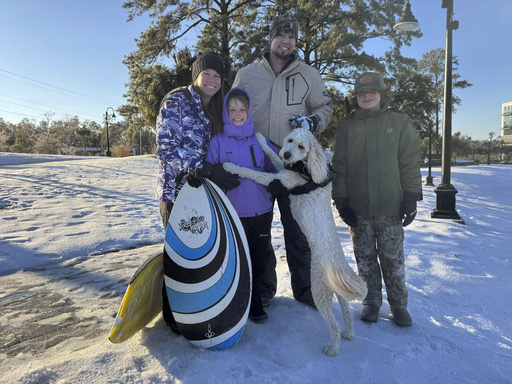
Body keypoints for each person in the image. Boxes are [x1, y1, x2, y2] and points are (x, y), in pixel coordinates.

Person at [232, 12, 333, 309]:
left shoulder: (309, 75)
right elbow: (232, 109)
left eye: (291, 37)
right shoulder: (248, 74)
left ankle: (306, 290)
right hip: (256, 161)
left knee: (298, 228)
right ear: (271, 38)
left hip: (295, 164)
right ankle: (263, 289)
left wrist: (313, 121)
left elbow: (325, 106)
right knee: (258, 229)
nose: (286, 41)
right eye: (281, 35)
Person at [155, 51, 240, 333]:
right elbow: (165, 148)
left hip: (203, 193)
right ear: (196, 75)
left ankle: (197, 312)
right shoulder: (176, 100)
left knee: (200, 255)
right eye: (207, 74)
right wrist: (203, 167)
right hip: (176, 192)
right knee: (179, 257)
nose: (213, 80)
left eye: (218, 76)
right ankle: (173, 318)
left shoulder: (217, 104)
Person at [331, 72, 422, 327]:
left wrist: (411, 196)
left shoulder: (399, 122)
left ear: (382, 94)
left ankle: (399, 304)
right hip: (358, 208)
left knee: (393, 258)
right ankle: (371, 301)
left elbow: (409, 161)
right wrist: (341, 200)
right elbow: (339, 166)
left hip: (391, 206)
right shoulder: (347, 128)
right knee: (365, 258)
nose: (367, 96)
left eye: (371, 92)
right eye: (361, 93)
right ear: (356, 98)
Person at [202, 87, 278, 323]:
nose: (237, 114)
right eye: (232, 109)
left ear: (249, 112)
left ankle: (255, 301)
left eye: (242, 110)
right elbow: (209, 170)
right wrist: (215, 175)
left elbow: (275, 164)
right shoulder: (217, 142)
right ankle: (234, 301)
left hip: (262, 210)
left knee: (258, 257)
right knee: (235, 259)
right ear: (225, 112)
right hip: (232, 213)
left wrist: (277, 180)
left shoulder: (259, 139)